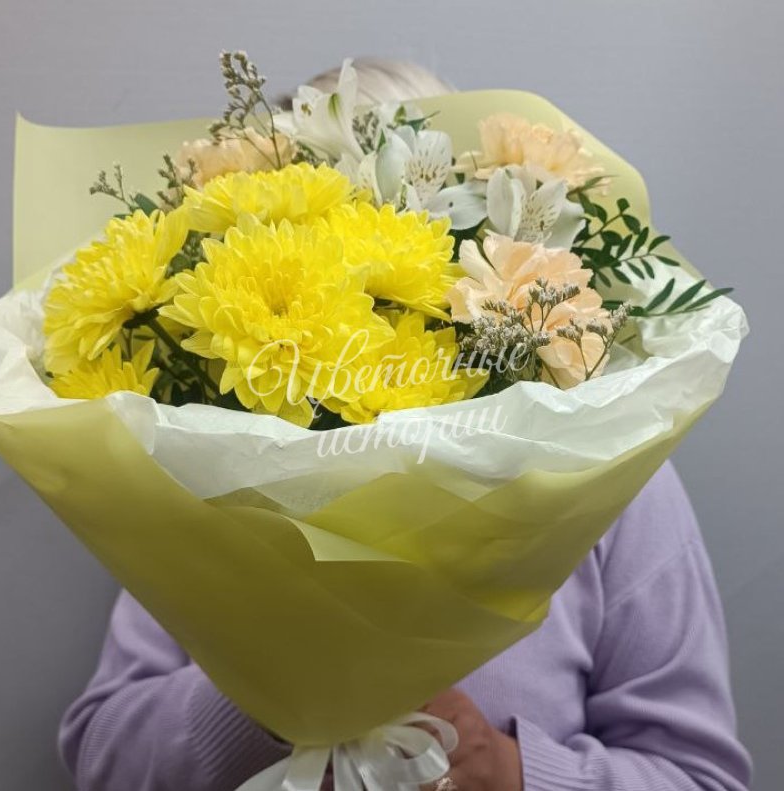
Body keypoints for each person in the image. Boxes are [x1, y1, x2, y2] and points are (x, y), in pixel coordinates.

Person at [58, 60, 753, 791]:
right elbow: (103, 757)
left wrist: (513, 772)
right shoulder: (198, 462)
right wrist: (271, 696)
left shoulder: (615, 477)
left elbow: (701, 776)